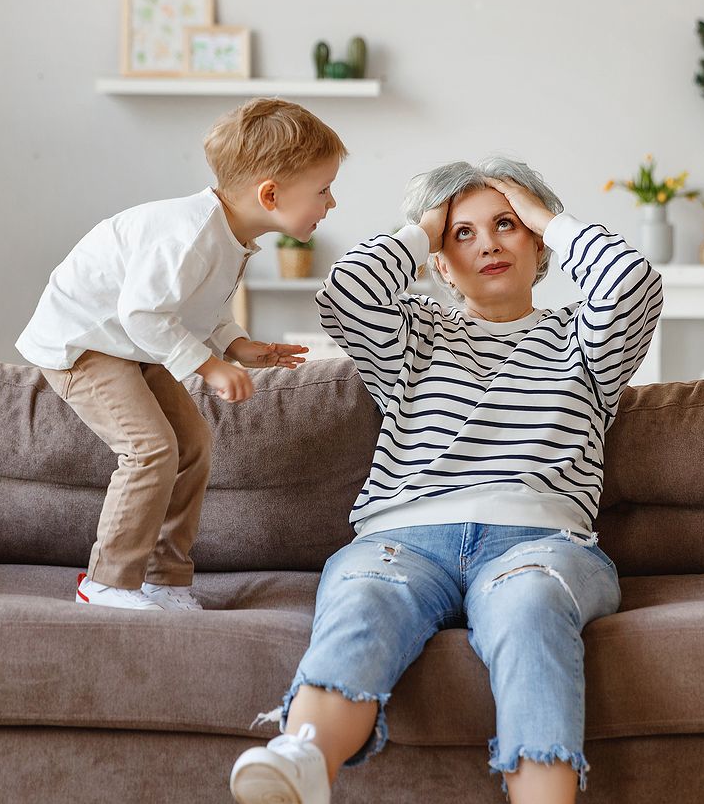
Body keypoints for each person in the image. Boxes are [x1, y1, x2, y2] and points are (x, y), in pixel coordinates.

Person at [228, 157, 662, 804]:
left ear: (539, 241)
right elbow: (345, 293)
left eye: (507, 224)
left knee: (529, 605)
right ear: (437, 255)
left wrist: (547, 215)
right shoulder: (412, 337)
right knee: (364, 596)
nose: (487, 242)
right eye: (462, 232)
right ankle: (303, 758)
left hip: (539, 540)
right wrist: (422, 227)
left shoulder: (585, 339)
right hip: (402, 538)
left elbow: (632, 283)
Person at [16, 98, 346, 610]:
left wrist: (238, 346)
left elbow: (196, 306)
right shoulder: (189, 235)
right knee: (150, 448)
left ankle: (164, 578)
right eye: (323, 190)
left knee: (192, 443)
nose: (332, 203)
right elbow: (142, 314)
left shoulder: (227, 235)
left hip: (129, 344)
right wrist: (211, 367)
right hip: (83, 343)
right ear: (270, 194)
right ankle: (106, 582)